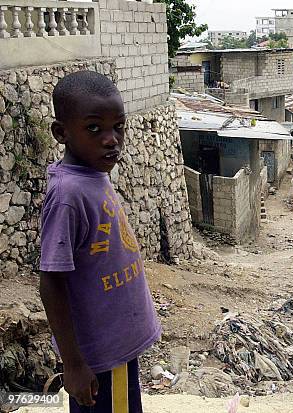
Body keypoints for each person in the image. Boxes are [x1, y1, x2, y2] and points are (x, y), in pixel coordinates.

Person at [39, 71, 161, 413]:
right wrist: (73, 364)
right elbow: (51, 280)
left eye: (118, 127)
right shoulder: (68, 195)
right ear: (61, 133)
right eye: (94, 128)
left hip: (118, 350)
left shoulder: (93, 174)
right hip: (100, 358)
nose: (111, 139)